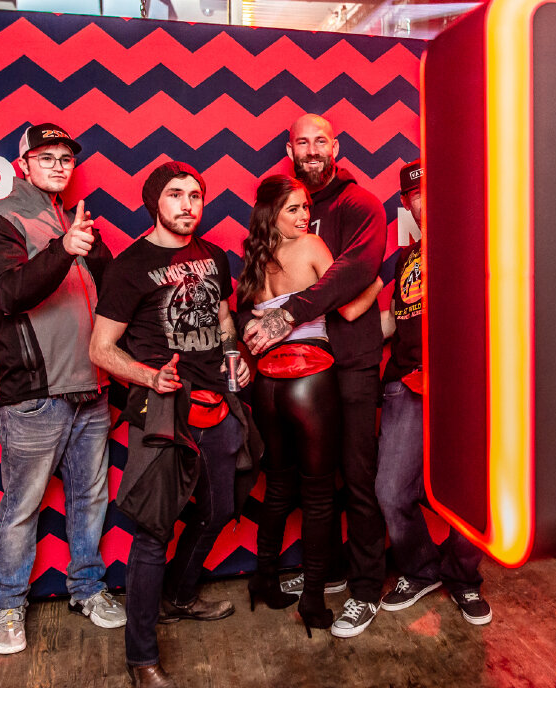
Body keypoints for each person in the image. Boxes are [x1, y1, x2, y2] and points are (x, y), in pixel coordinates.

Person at [89, 161, 253, 687]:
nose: (188, 205)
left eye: (196, 195)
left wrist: (236, 354)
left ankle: (179, 597)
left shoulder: (214, 257)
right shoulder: (130, 267)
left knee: (221, 506)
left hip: (217, 402)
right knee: (153, 532)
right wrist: (148, 377)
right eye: (177, 195)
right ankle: (141, 659)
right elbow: (100, 348)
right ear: (155, 202)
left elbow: (223, 319)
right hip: (162, 412)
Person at [0, 122, 124, 656]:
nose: (59, 164)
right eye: (47, 156)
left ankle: (88, 587)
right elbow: (9, 295)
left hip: (92, 389)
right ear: (23, 164)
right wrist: (64, 248)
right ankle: (6, 605)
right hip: (36, 395)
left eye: (66, 157)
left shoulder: (72, 219)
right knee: (22, 507)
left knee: (90, 498)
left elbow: (114, 298)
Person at [244, 114, 388, 638]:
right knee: (319, 485)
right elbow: (352, 289)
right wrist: (377, 284)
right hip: (313, 374)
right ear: (290, 149)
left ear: (336, 146)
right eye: (301, 141)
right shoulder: (301, 224)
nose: (311, 148)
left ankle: (367, 586)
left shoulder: (360, 204)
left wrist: (281, 315)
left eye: (320, 140)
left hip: (346, 369)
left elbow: (355, 270)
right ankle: (321, 580)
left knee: (357, 479)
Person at [375, 160, 491, 625]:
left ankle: (463, 577)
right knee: (389, 490)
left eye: (434, 190)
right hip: (405, 382)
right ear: (408, 204)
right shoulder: (408, 258)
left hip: (463, 386)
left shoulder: (477, 245)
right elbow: (394, 321)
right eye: (416, 195)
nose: (426, 200)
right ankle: (422, 568)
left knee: (472, 495)